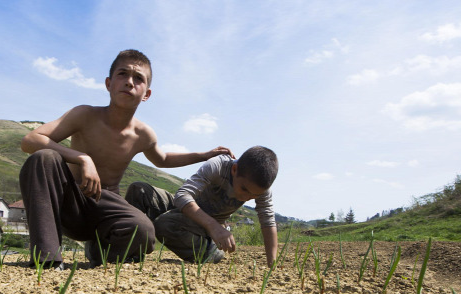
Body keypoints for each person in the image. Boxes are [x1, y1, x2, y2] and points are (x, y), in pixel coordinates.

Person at [18, 49, 233, 268]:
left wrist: (204, 155)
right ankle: (47, 260)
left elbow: (163, 159)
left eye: (138, 78)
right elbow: (31, 139)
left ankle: (102, 250)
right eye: (122, 74)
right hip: (69, 202)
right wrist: (82, 158)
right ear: (109, 83)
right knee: (45, 158)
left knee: (143, 229)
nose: (129, 82)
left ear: (146, 94)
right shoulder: (84, 115)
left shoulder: (143, 134)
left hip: (105, 207)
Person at [125, 146, 279, 267]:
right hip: (192, 214)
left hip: (203, 231)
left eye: (253, 196)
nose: (246, 197)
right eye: (244, 189)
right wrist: (215, 227)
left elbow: (268, 222)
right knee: (139, 190)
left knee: (165, 225)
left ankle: (210, 251)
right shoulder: (218, 166)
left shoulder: (262, 190)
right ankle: (131, 253)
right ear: (234, 170)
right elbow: (182, 196)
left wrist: (272, 262)